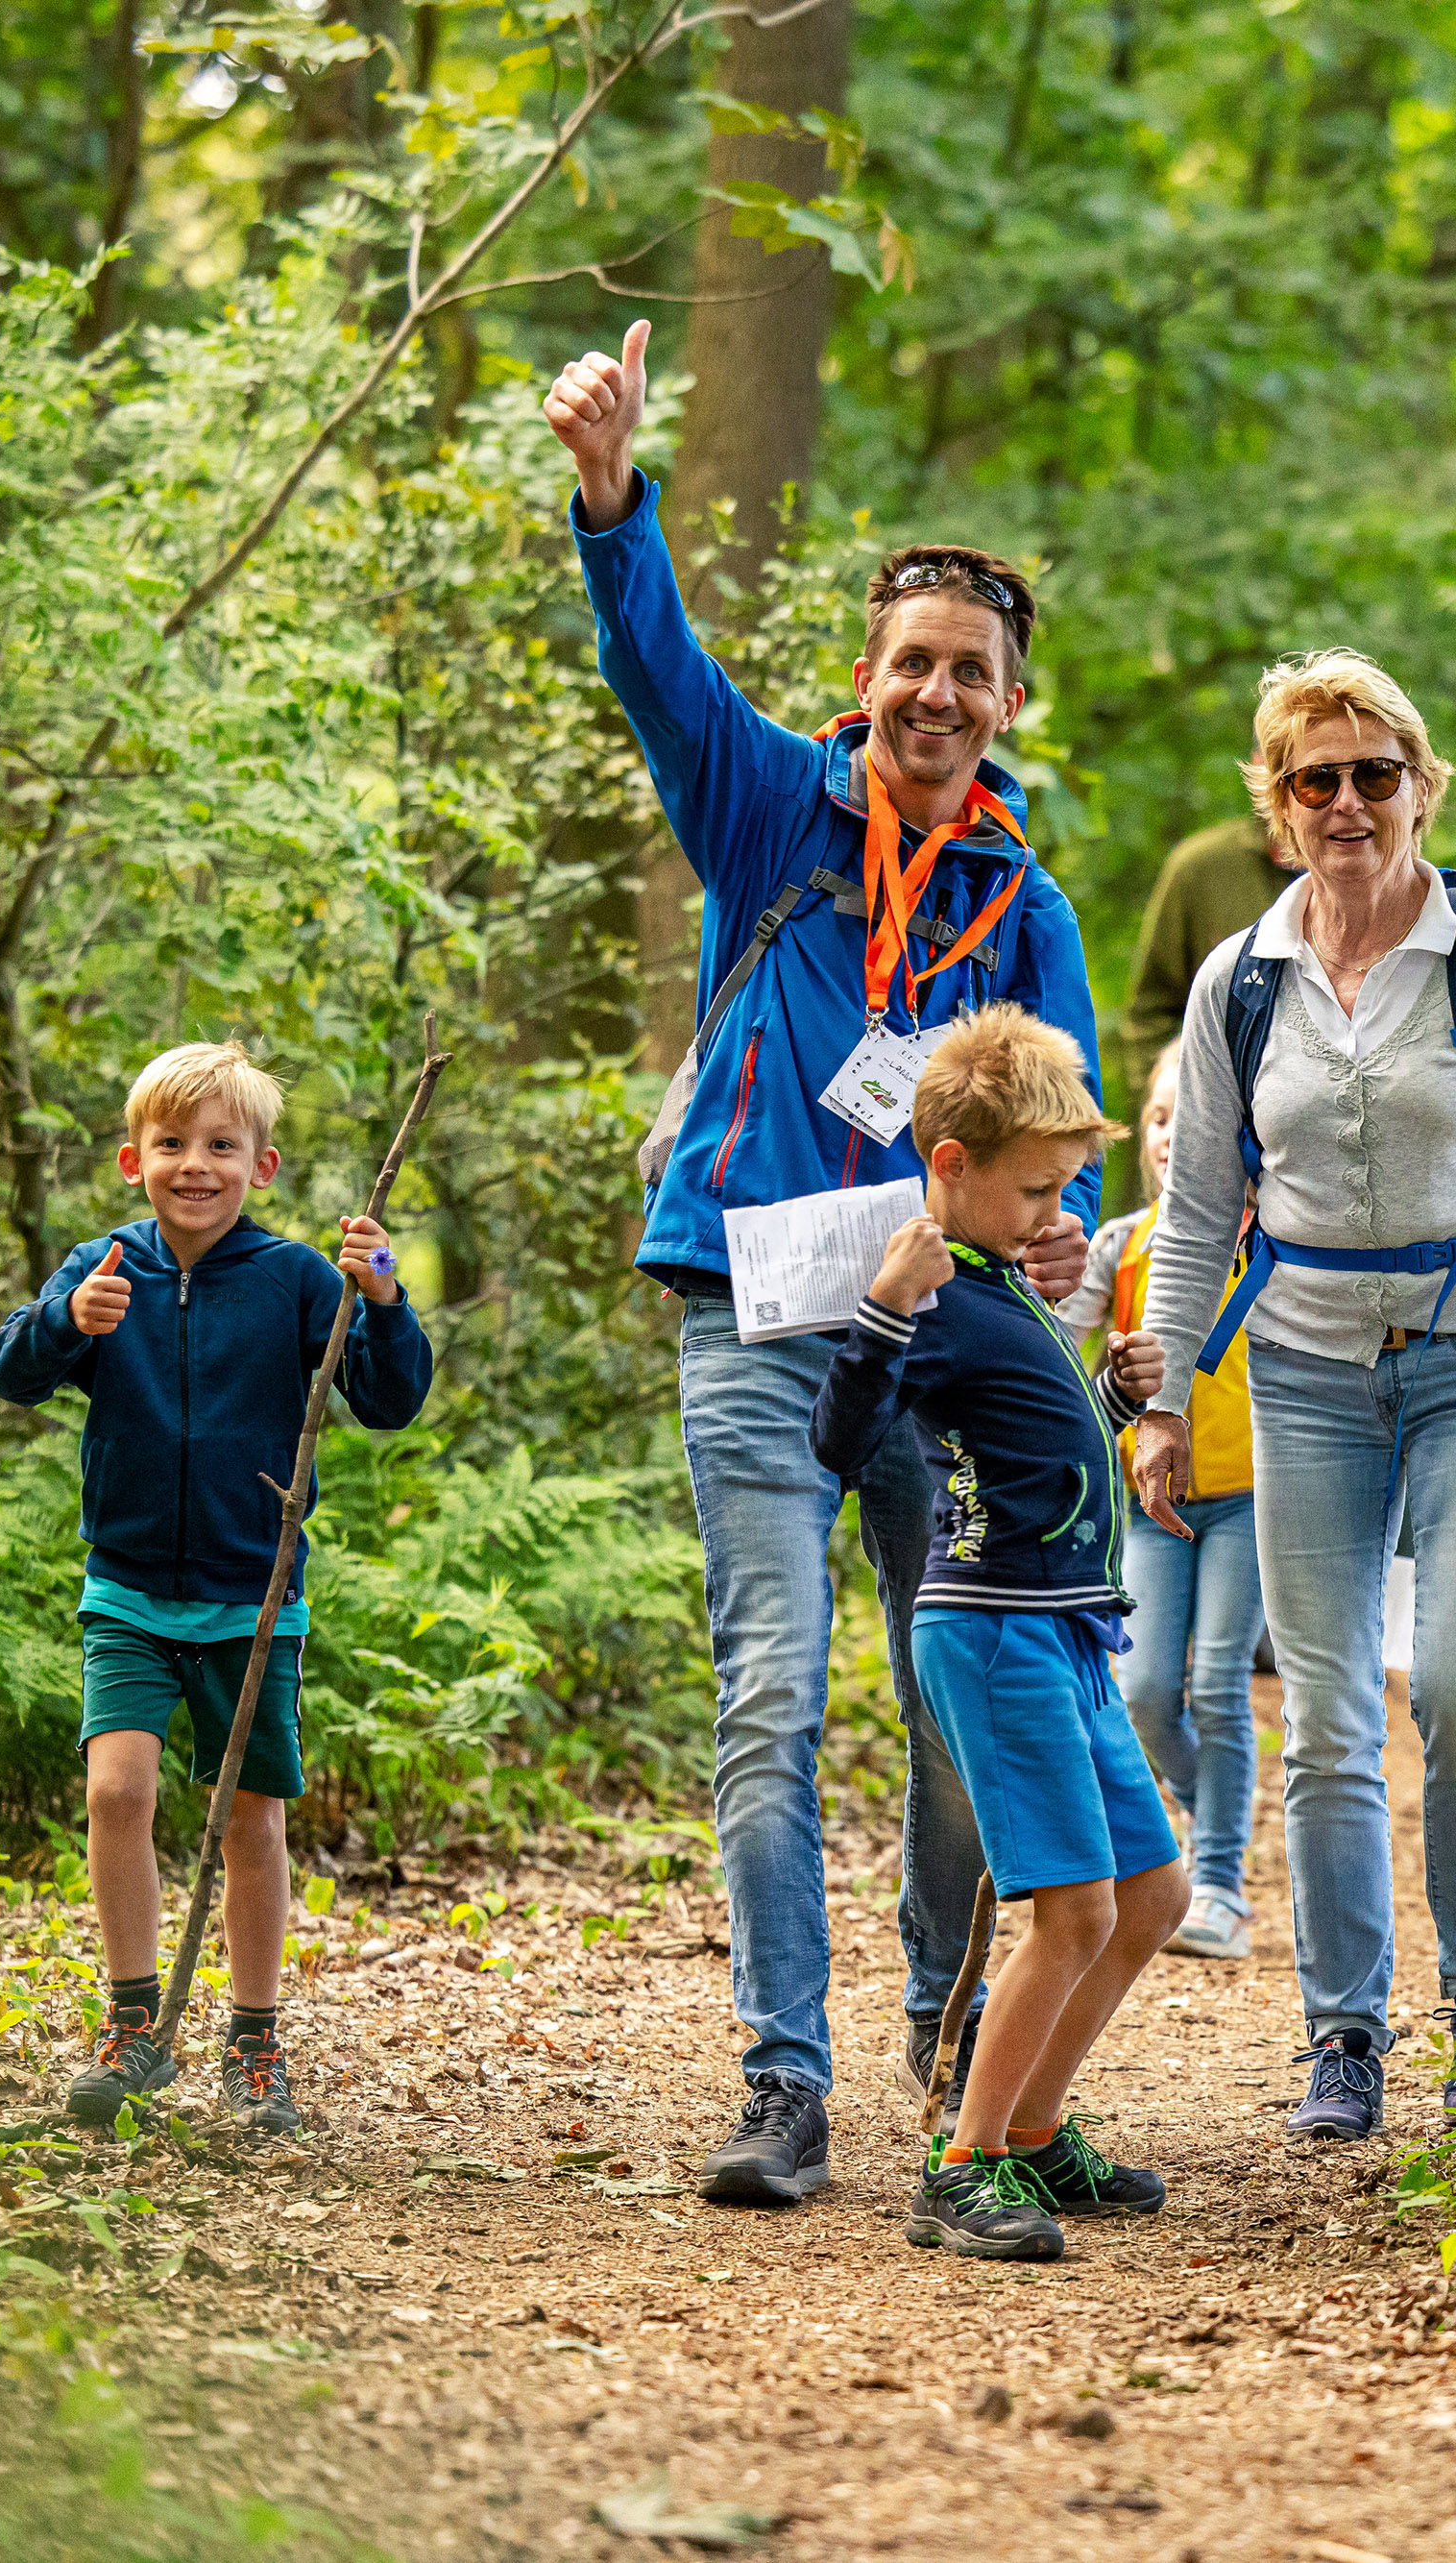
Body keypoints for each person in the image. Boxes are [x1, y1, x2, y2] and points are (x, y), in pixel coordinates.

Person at [545, 323, 1108, 2206]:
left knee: (957, 1695)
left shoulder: (1023, 906)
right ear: (863, 682)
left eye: (968, 671)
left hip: (937, 1338)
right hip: (755, 1315)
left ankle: (950, 2018)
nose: (934, 693)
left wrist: (1060, 1233)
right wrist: (613, 495)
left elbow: (1063, 1134)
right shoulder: (767, 806)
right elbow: (656, 666)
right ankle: (783, 2076)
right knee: (768, 1697)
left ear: (1008, 703)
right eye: (909, 664)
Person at [1127, 651, 1456, 2142]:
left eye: (1375, 774)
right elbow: (1197, 1210)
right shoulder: (1239, 983)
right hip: (1301, 1372)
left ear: (1423, 787)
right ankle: (1345, 2036)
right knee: (1326, 1718)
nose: (1347, 802)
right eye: (1317, 779)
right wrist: (1159, 1398)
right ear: (1279, 802)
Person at [0, 1041, 436, 2136]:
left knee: (249, 1818)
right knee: (116, 1793)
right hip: (129, 1589)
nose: (196, 1164)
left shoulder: (294, 1280)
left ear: (261, 1165)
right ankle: (134, 2022)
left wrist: (381, 1296)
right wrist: (66, 1322)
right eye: (172, 1144)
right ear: (133, 1159)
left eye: (221, 1145)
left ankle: (253, 2036)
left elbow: (388, 1400)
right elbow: (10, 1374)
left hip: (253, 1596)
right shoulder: (101, 1269)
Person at [809, 1007, 1184, 2260]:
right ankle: (963, 2164)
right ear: (952, 1163)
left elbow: (1021, 1438)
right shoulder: (926, 1291)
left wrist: (1109, 1393)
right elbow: (838, 1439)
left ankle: (1030, 2129)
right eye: (1035, 1189)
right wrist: (881, 1309)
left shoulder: (998, 1278)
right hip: (990, 1630)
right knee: (1072, 1911)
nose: (1054, 1212)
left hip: (1066, 1629)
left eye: (1066, 1186)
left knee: (1151, 1895)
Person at [1058, 1040, 1264, 1963]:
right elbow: (1054, 1344)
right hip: (1152, 1498)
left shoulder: (1275, 1243)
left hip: (1252, 1496)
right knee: (1142, 1690)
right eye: (1159, 1117)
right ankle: (1210, 1808)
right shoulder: (1120, 1246)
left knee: (1218, 1681)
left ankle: (1219, 1883)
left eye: (1196, 1115)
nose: (1174, 1133)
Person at [1121, 815, 1299, 1109]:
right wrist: (1163, 1111)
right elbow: (1151, 1012)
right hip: (1217, 1114)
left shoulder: (1370, 866)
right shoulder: (1200, 869)